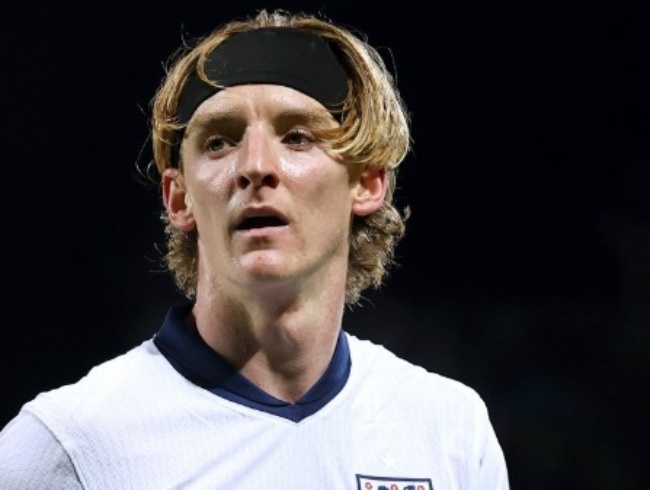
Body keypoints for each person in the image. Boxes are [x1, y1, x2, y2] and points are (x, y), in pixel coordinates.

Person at [0, 9, 509, 489]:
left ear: (368, 182)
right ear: (178, 198)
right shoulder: (70, 444)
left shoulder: (449, 430)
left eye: (298, 137)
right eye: (219, 142)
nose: (255, 166)